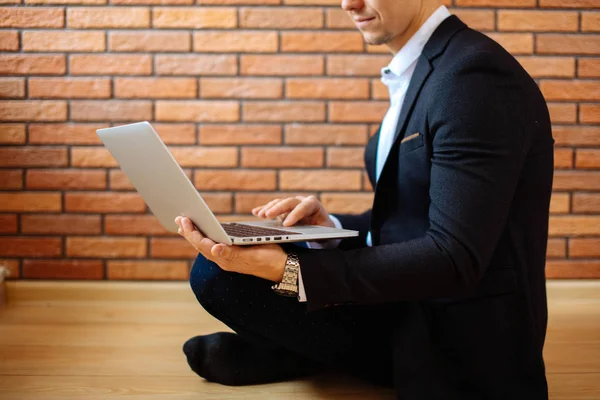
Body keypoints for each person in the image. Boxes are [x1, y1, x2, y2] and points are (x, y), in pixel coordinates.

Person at [175, 0, 553, 398]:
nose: (348, 3)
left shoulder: (475, 78)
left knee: (218, 275)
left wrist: (292, 272)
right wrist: (331, 228)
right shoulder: (426, 69)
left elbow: (454, 256)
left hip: (455, 330)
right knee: (223, 270)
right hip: (408, 291)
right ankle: (308, 351)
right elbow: (414, 214)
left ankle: (299, 354)